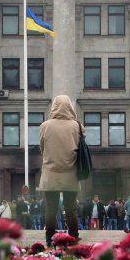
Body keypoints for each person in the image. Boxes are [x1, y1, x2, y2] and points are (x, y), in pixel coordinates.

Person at [39, 95, 81, 244]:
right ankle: (73, 235)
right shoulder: (77, 126)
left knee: (51, 208)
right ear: (70, 106)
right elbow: (81, 147)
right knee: (71, 208)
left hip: (51, 173)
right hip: (71, 174)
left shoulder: (45, 125)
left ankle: (50, 237)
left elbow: (42, 148)